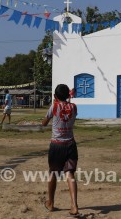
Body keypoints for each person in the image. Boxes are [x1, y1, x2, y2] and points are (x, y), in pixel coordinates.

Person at [41, 84, 79, 217]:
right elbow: (68, 110)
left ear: (55, 96)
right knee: (70, 174)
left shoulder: (54, 106)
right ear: (68, 95)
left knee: (53, 173)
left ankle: (50, 203)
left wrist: (54, 104)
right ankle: (74, 206)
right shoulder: (74, 107)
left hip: (57, 145)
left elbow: (44, 123)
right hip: (70, 144)